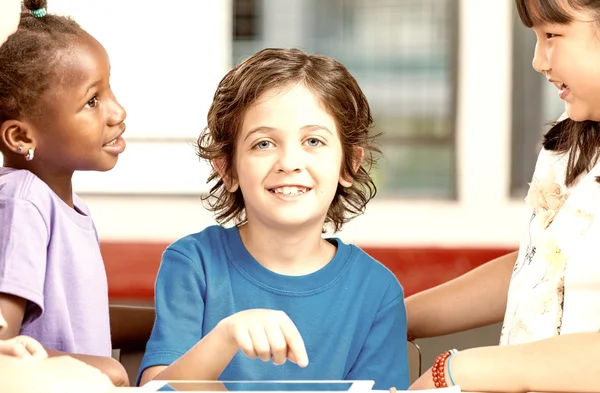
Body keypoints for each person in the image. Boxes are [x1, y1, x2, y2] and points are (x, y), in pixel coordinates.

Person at [138, 48, 409, 390]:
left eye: (313, 140)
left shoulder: (377, 291)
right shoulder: (193, 265)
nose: (289, 162)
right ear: (227, 169)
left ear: (350, 164)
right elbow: (154, 391)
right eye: (264, 143)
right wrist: (226, 337)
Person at [407, 1, 600, 392]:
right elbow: (543, 266)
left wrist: (464, 370)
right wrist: (397, 317)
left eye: (551, 35)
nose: (538, 62)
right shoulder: (572, 138)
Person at [0, 0, 128, 386]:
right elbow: (4, 344)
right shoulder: (22, 202)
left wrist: (161, 319)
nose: (117, 111)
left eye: (109, 91)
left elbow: (75, 320)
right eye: (92, 101)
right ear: (21, 137)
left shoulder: (67, 208)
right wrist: (100, 368)